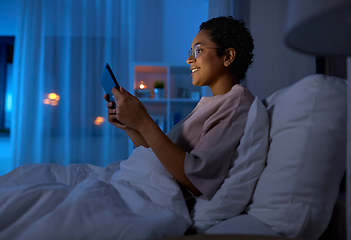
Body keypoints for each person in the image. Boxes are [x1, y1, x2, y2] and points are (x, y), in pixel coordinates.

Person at [104, 16, 255, 202]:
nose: (189, 59)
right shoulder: (213, 104)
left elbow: (197, 179)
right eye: (191, 51)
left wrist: (143, 121)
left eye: (198, 50)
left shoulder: (236, 105)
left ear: (227, 56)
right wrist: (130, 125)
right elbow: (160, 158)